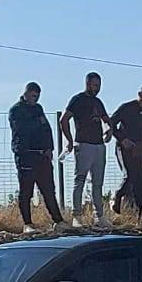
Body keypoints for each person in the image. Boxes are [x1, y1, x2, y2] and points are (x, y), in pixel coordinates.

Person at [8, 82, 64, 235]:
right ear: (26, 93)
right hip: (26, 155)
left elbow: (46, 128)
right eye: (33, 95)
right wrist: (35, 123)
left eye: (38, 96)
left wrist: (50, 148)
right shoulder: (16, 110)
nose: (35, 98)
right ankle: (27, 223)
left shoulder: (38, 109)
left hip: (42, 156)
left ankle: (59, 221)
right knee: (26, 191)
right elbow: (21, 129)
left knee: (48, 190)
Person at [60, 72, 111, 229]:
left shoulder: (98, 102)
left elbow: (106, 120)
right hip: (83, 144)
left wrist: (109, 130)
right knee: (80, 180)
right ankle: (77, 216)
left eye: (99, 85)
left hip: (98, 146)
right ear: (88, 84)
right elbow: (64, 120)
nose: (97, 88)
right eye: (95, 85)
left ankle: (99, 216)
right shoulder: (77, 100)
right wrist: (69, 140)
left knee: (98, 183)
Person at [109, 85, 142, 219]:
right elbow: (111, 123)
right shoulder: (126, 108)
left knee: (141, 181)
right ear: (139, 94)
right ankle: (118, 196)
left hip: (139, 149)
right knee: (130, 175)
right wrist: (123, 138)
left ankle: (141, 215)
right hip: (124, 147)